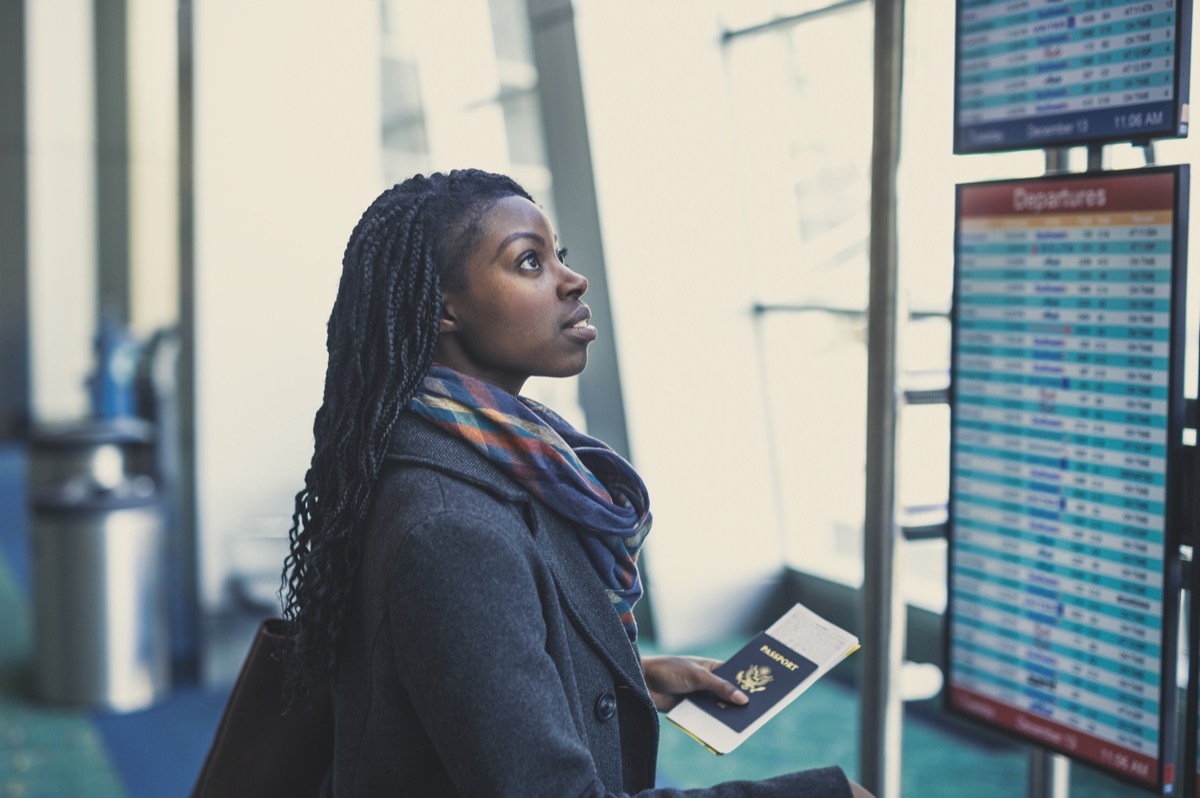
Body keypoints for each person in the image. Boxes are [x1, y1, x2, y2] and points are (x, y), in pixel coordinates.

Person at [281, 169, 873, 797]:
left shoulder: (473, 452)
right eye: (529, 262)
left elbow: (453, 676)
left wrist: (619, 678)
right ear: (442, 306)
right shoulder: (452, 528)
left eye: (557, 255)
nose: (573, 280)